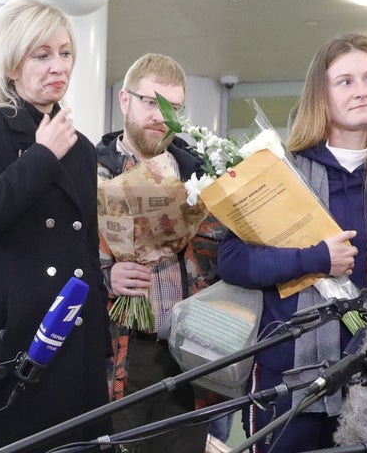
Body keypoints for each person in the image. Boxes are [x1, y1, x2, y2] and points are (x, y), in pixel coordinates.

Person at [217, 33, 367, 452]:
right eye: (345, 81)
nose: (362, 90)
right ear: (320, 96)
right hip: (287, 381)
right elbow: (232, 260)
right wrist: (316, 258)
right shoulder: (284, 172)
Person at [0, 0, 111, 452]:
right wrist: (40, 157)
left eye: (64, 53)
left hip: (70, 334)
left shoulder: (80, 147)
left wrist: (98, 342)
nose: (57, 66)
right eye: (41, 55)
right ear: (11, 63)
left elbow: (85, 253)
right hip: (8, 338)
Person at [97, 53, 227, 452]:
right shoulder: (93, 173)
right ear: (124, 101)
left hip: (189, 353)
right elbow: (56, 259)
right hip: (123, 351)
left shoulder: (202, 174)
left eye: (173, 107)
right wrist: (106, 275)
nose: (161, 116)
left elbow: (226, 260)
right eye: (151, 102)